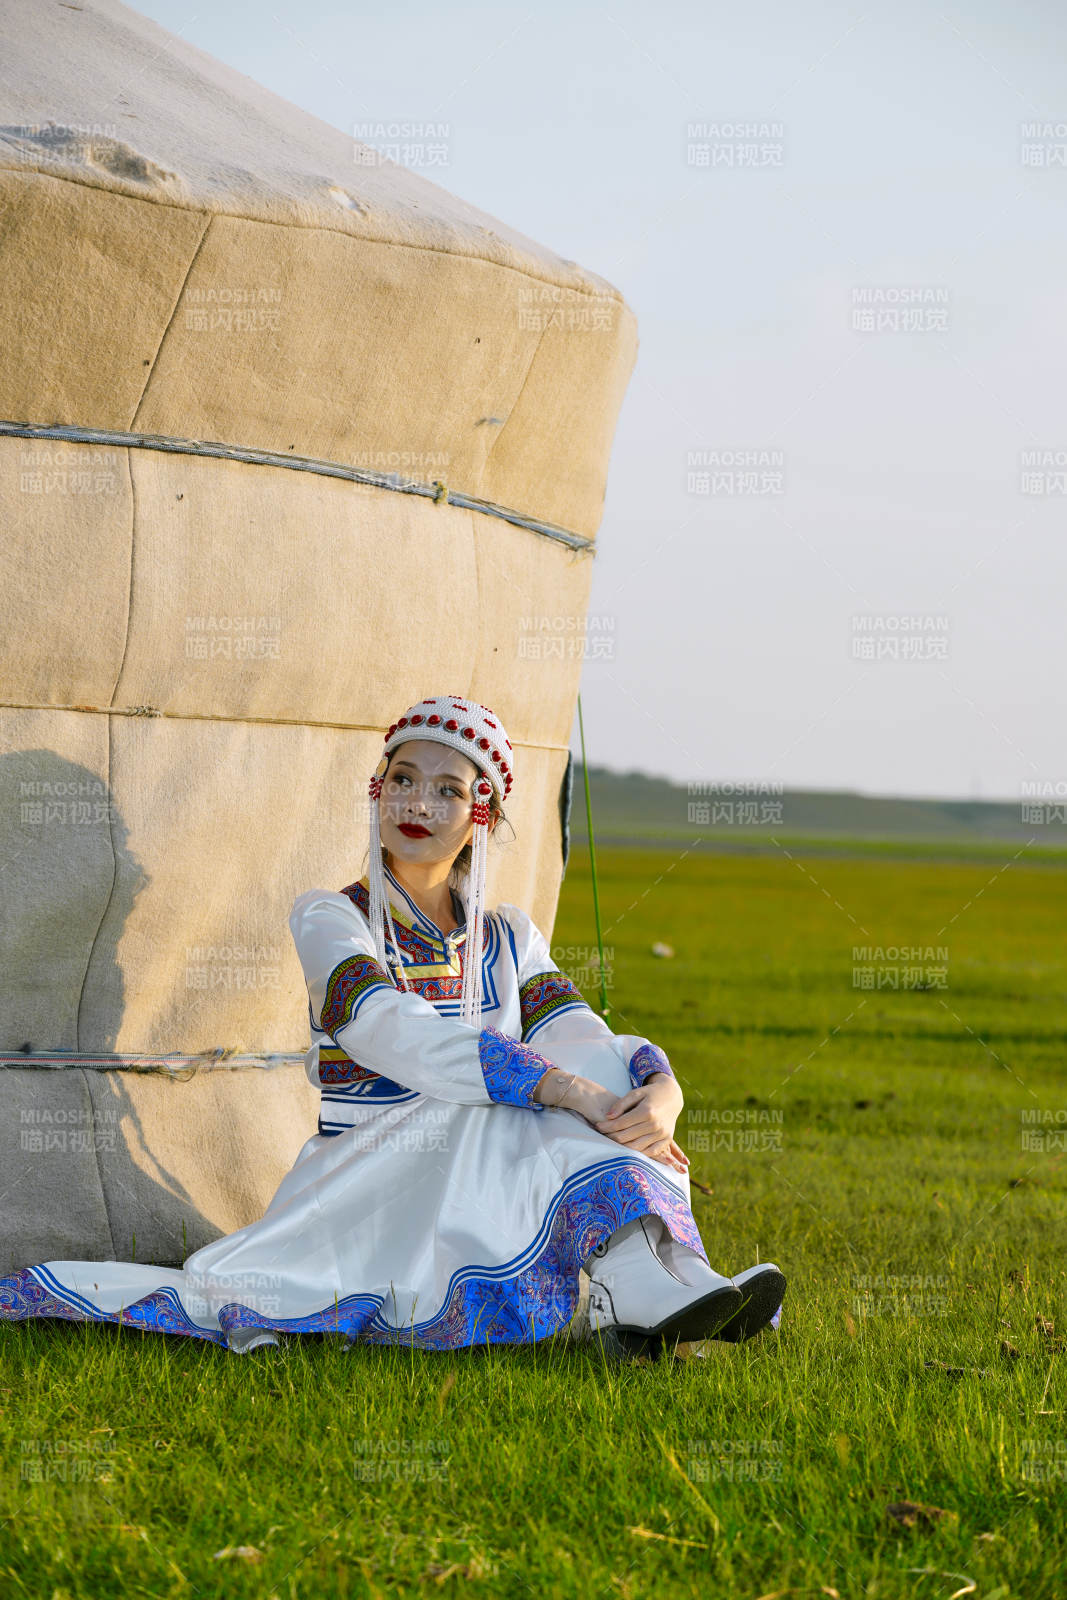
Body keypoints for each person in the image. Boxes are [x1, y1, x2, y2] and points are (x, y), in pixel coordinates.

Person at [0, 694, 784, 1361]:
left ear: (483, 814)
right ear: (376, 791)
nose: (417, 804)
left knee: (598, 1074)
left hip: (484, 1173)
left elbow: (576, 1028)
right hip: (373, 1177)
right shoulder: (331, 916)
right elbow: (384, 1028)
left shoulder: (508, 936)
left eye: (446, 790)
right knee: (527, 1094)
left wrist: (661, 1090)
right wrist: (557, 1087)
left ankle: (666, 1283)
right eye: (402, 781)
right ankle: (650, 1288)